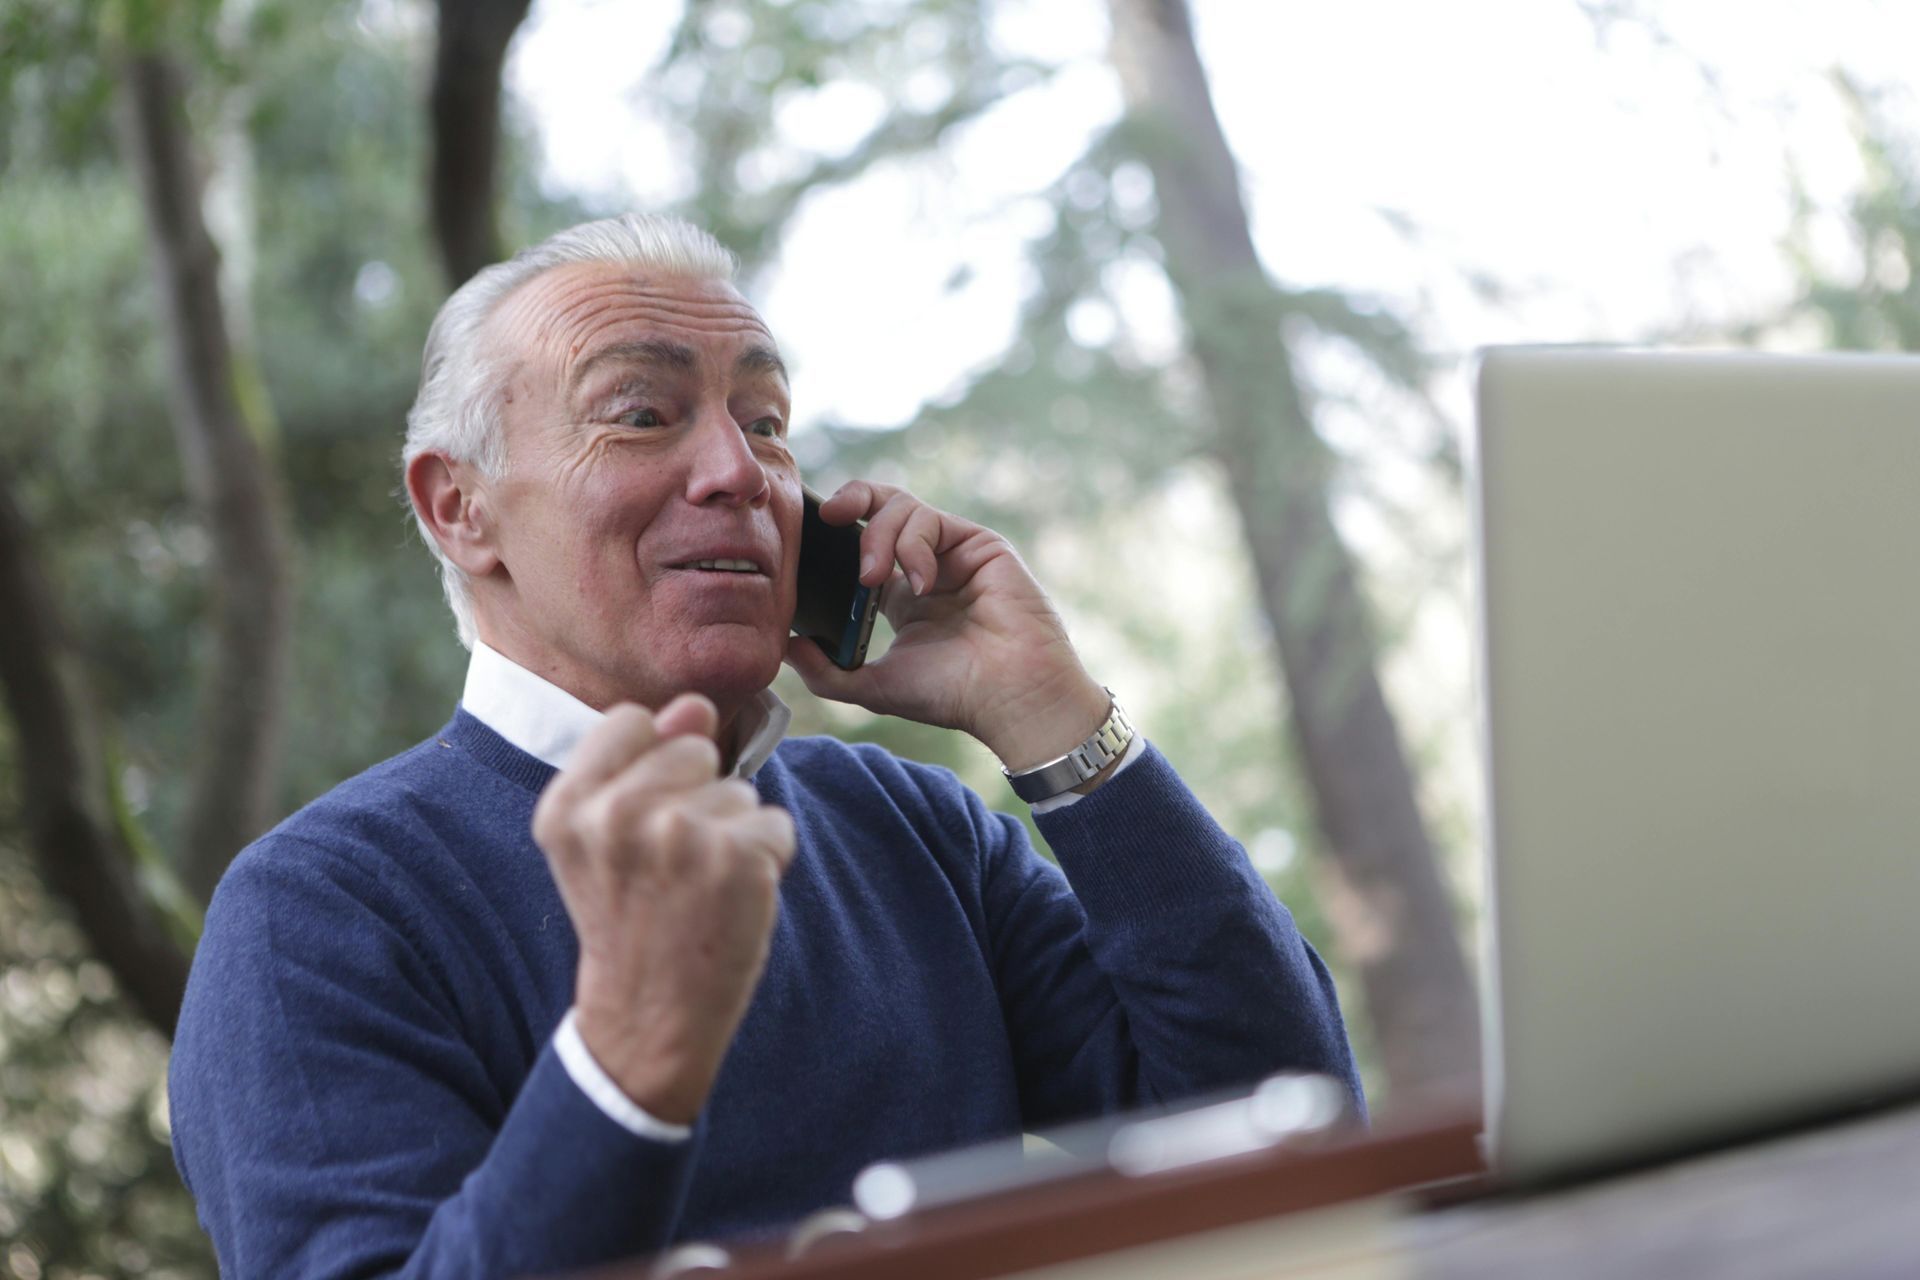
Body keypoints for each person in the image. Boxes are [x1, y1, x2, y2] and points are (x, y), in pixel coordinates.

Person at [167, 213, 1362, 1278]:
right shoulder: (317, 913)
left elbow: (1286, 1125)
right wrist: (627, 1060)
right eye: (642, 413)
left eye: (768, 422)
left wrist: (1057, 719)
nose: (740, 473)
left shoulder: (916, 830)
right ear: (459, 507)